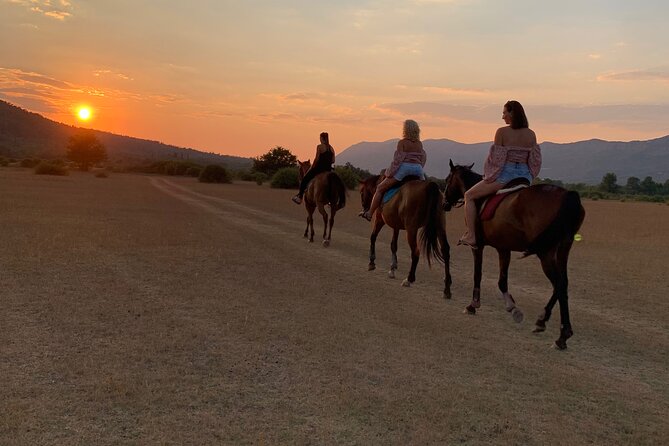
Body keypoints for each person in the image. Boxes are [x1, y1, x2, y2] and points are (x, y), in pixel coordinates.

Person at [458, 100, 542, 248]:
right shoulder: (531, 134)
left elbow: (496, 160)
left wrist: (489, 176)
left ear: (512, 113)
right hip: (524, 176)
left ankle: (471, 235)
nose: (503, 117)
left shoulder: (502, 132)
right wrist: (530, 176)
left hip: (506, 175)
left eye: (504, 113)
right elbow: (535, 161)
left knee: (469, 196)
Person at [359, 119, 426, 221]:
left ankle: (369, 213)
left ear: (405, 130)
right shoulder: (419, 144)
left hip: (405, 168)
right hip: (418, 169)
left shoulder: (402, 143)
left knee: (380, 188)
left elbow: (397, 161)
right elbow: (423, 158)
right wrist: (419, 167)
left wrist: (389, 172)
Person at [292, 132, 335, 204]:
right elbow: (333, 160)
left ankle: (300, 197)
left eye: (320, 138)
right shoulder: (331, 148)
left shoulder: (319, 146)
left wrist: (313, 167)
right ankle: (331, 200)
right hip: (328, 170)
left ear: (321, 138)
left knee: (305, 179)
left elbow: (316, 159)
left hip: (319, 169)